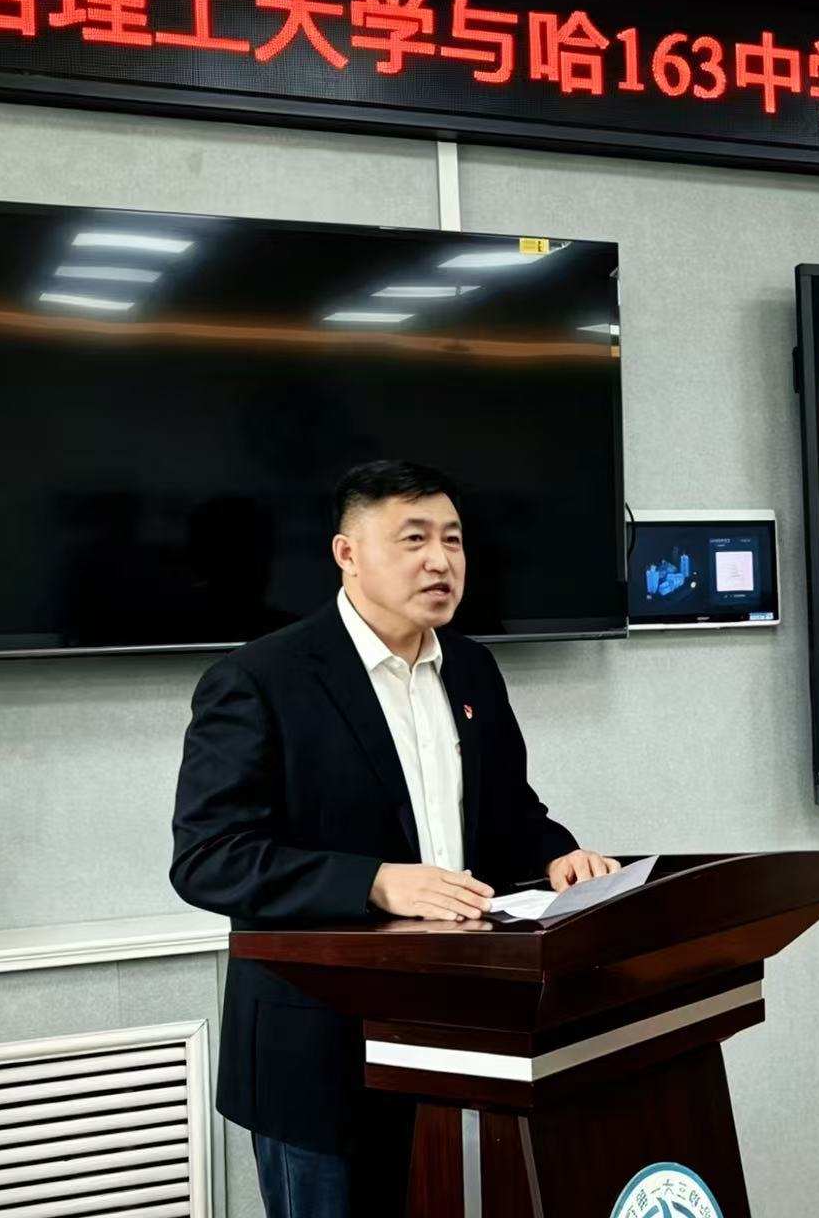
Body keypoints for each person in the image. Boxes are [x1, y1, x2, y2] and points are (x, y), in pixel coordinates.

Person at [169, 460, 618, 1218]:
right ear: (347, 554)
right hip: (320, 1056)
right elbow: (208, 858)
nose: (440, 560)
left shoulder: (472, 668)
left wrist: (557, 854)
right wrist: (375, 882)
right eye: (413, 539)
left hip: (461, 1037)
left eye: (453, 539)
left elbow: (509, 813)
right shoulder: (262, 677)